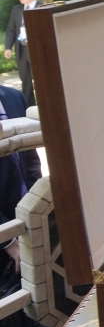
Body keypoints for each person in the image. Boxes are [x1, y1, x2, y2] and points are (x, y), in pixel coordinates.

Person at [0, 84, 42, 273]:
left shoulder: (14, 97)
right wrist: (8, 240)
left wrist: (37, 204)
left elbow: (31, 160)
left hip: (28, 218)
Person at [4, 0, 37, 106]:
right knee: (26, 81)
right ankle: (29, 107)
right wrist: (8, 47)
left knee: (41, 79)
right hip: (22, 50)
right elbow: (11, 29)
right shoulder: (16, 9)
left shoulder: (41, 7)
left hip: (36, 49)